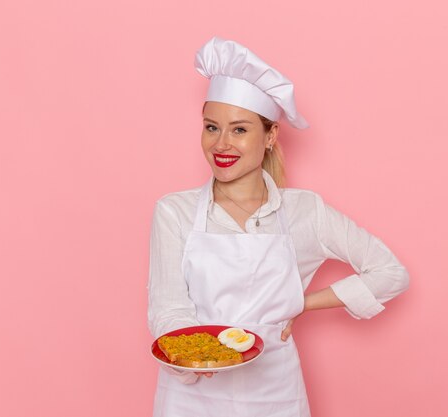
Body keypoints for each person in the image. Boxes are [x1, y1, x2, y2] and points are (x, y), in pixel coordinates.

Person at [147, 36, 409, 417]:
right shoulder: (174, 211)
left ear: (270, 137)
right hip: (192, 395)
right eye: (211, 127)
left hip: (274, 394)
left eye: (239, 130)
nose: (221, 144)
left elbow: (391, 273)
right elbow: (168, 309)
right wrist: (204, 360)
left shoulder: (305, 211)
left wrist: (300, 302)